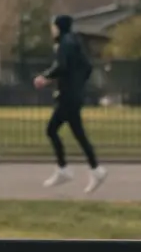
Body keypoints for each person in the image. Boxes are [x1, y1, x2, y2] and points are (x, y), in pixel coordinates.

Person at [34, 14, 107, 193]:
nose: (51, 30)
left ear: (59, 27)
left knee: (52, 130)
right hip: (74, 95)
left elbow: (62, 66)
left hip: (68, 97)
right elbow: (86, 67)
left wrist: (45, 77)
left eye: (53, 26)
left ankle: (64, 169)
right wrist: (76, 83)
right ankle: (95, 170)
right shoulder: (74, 42)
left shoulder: (65, 44)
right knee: (78, 134)